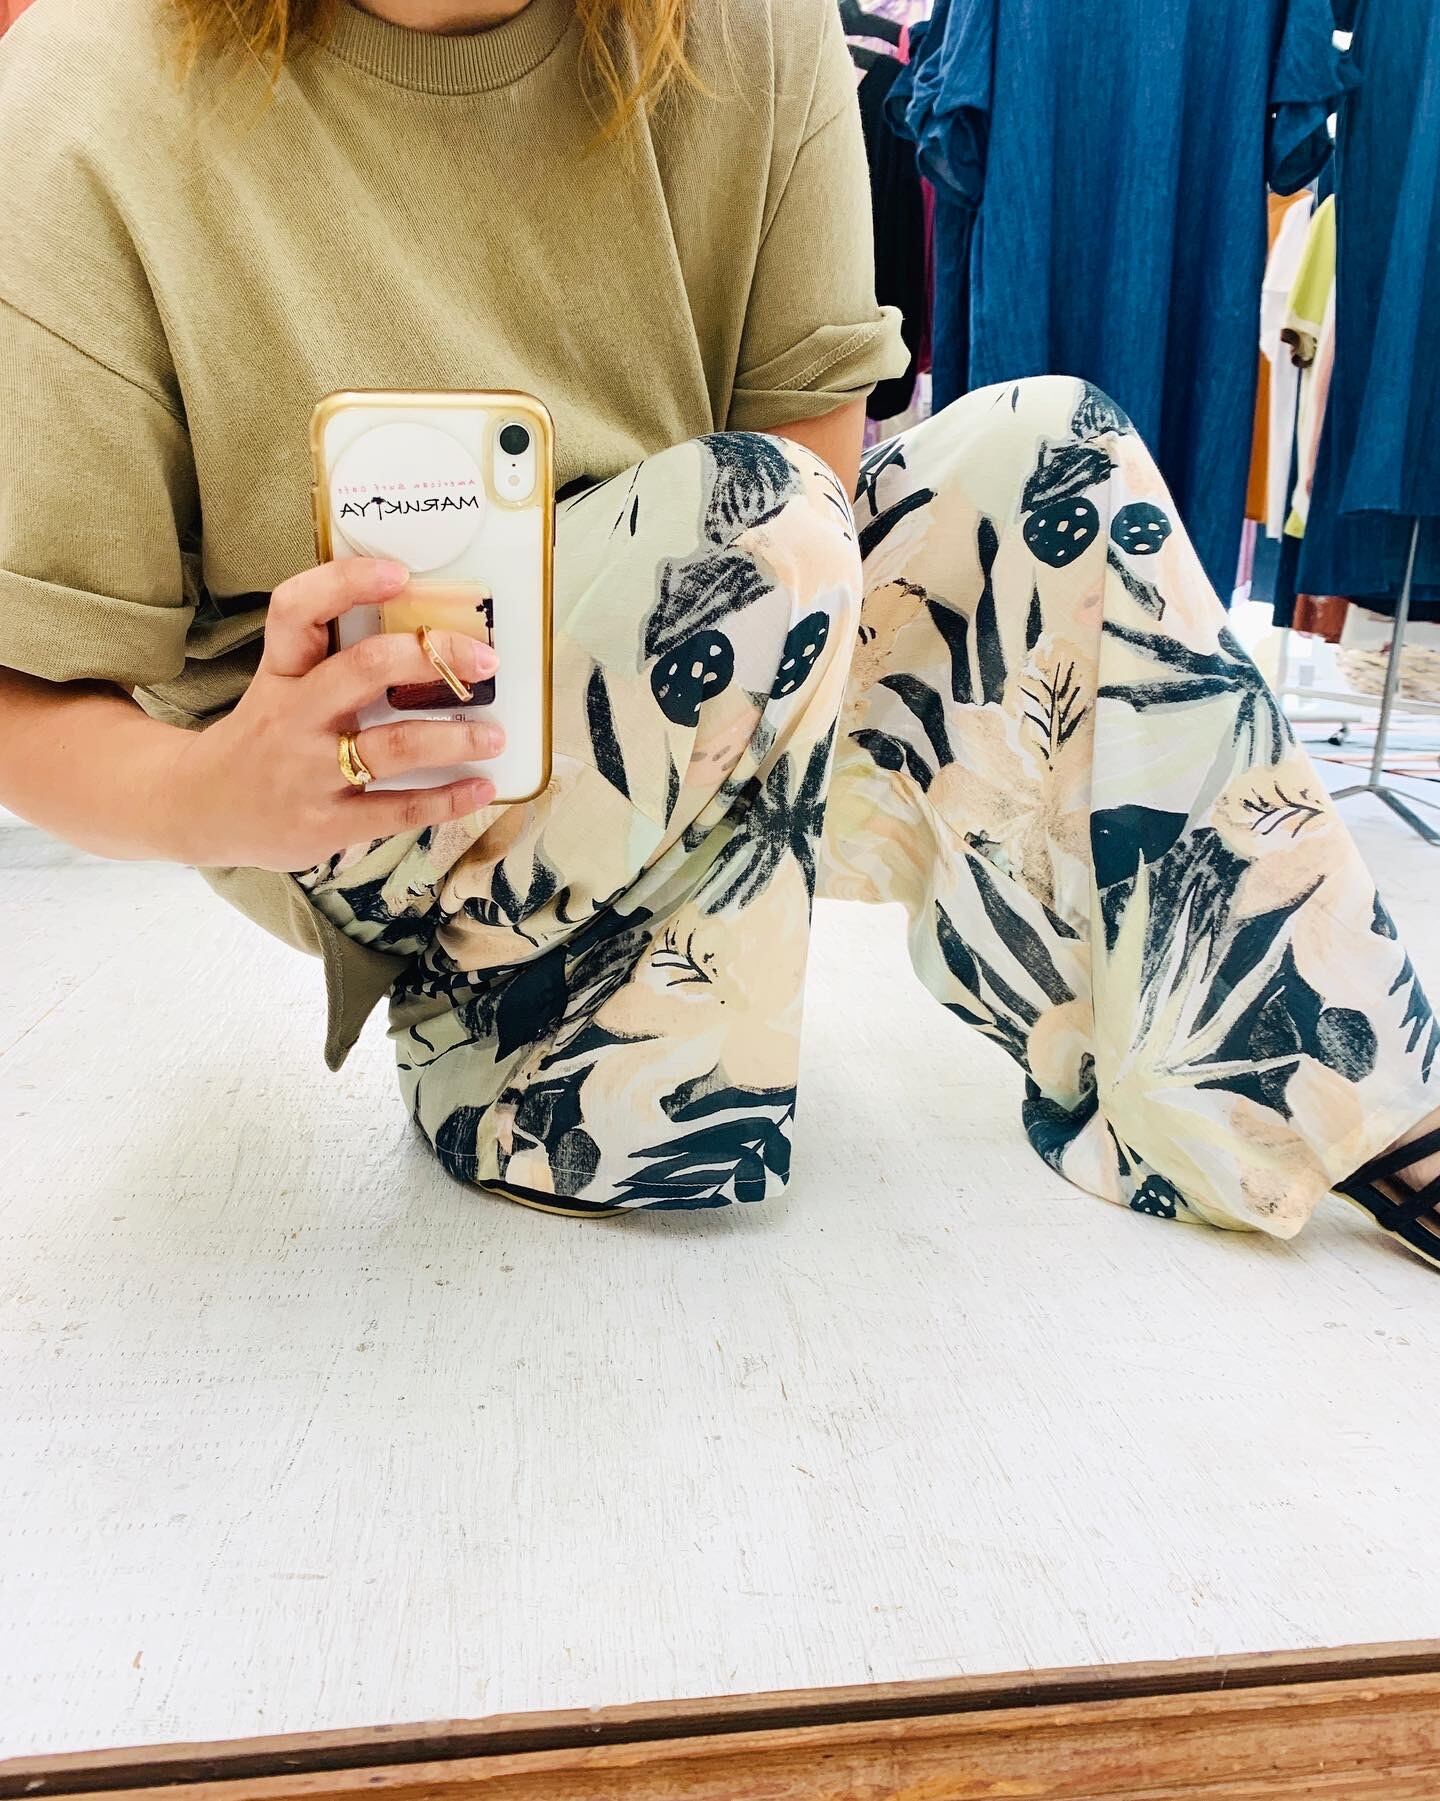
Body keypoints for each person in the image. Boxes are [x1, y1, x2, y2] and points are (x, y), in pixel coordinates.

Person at [0, 0, 1436, 1259]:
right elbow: (19, 687)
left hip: (714, 652)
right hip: (363, 802)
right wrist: (221, 787)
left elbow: (809, 501)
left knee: (1046, 460)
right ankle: (526, 1043)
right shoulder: (95, 87)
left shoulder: (745, 27)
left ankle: (1325, 1091)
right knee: (762, 521)